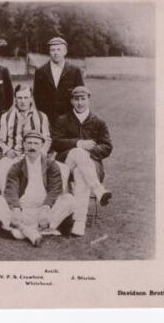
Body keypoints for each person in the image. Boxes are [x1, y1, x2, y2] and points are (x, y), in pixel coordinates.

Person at [0, 130, 76, 246]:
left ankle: (21, 229)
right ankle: (29, 230)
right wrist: (16, 209)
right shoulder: (17, 166)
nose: (32, 147)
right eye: (29, 143)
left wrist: (46, 207)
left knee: (70, 199)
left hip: (43, 212)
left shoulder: (51, 166)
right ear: (24, 145)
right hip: (22, 211)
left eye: (36, 143)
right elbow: (11, 189)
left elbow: (55, 190)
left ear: (42, 146)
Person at [51, 86, 113, 236]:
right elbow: (56, 142)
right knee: (78, 151)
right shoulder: (62, 119)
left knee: (80, 173)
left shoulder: (98, 122)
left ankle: (79, 223)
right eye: (76, 99)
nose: (80, 103)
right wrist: (79, 143)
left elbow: (107, 147)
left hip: (91, 166)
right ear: (71, 101)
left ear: (88, 100)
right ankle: (98, 190)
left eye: (83, 99)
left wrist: (90, 150)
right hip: (66, 164)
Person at [0, 84, 51, 193]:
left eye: (26, 97)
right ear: (15, 98)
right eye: (19, 98)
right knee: (0, 169)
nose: (23, 101)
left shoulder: (41, 117)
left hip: (34, 155)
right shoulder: (6, 117)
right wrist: (7, 151)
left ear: (31, 99)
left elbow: (47, 139)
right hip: (13, 156)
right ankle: (7, 199)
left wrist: (41, 153)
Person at [33, 37, 85, 123]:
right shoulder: (40, 71)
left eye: (58, 49)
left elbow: (81, 94)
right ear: (49, 52)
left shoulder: (75, 70)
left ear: (65, 51)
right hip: (48, 119)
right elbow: (37, 96)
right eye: (52, 50)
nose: (56, 53)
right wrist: (44, 116)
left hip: (70, 118)